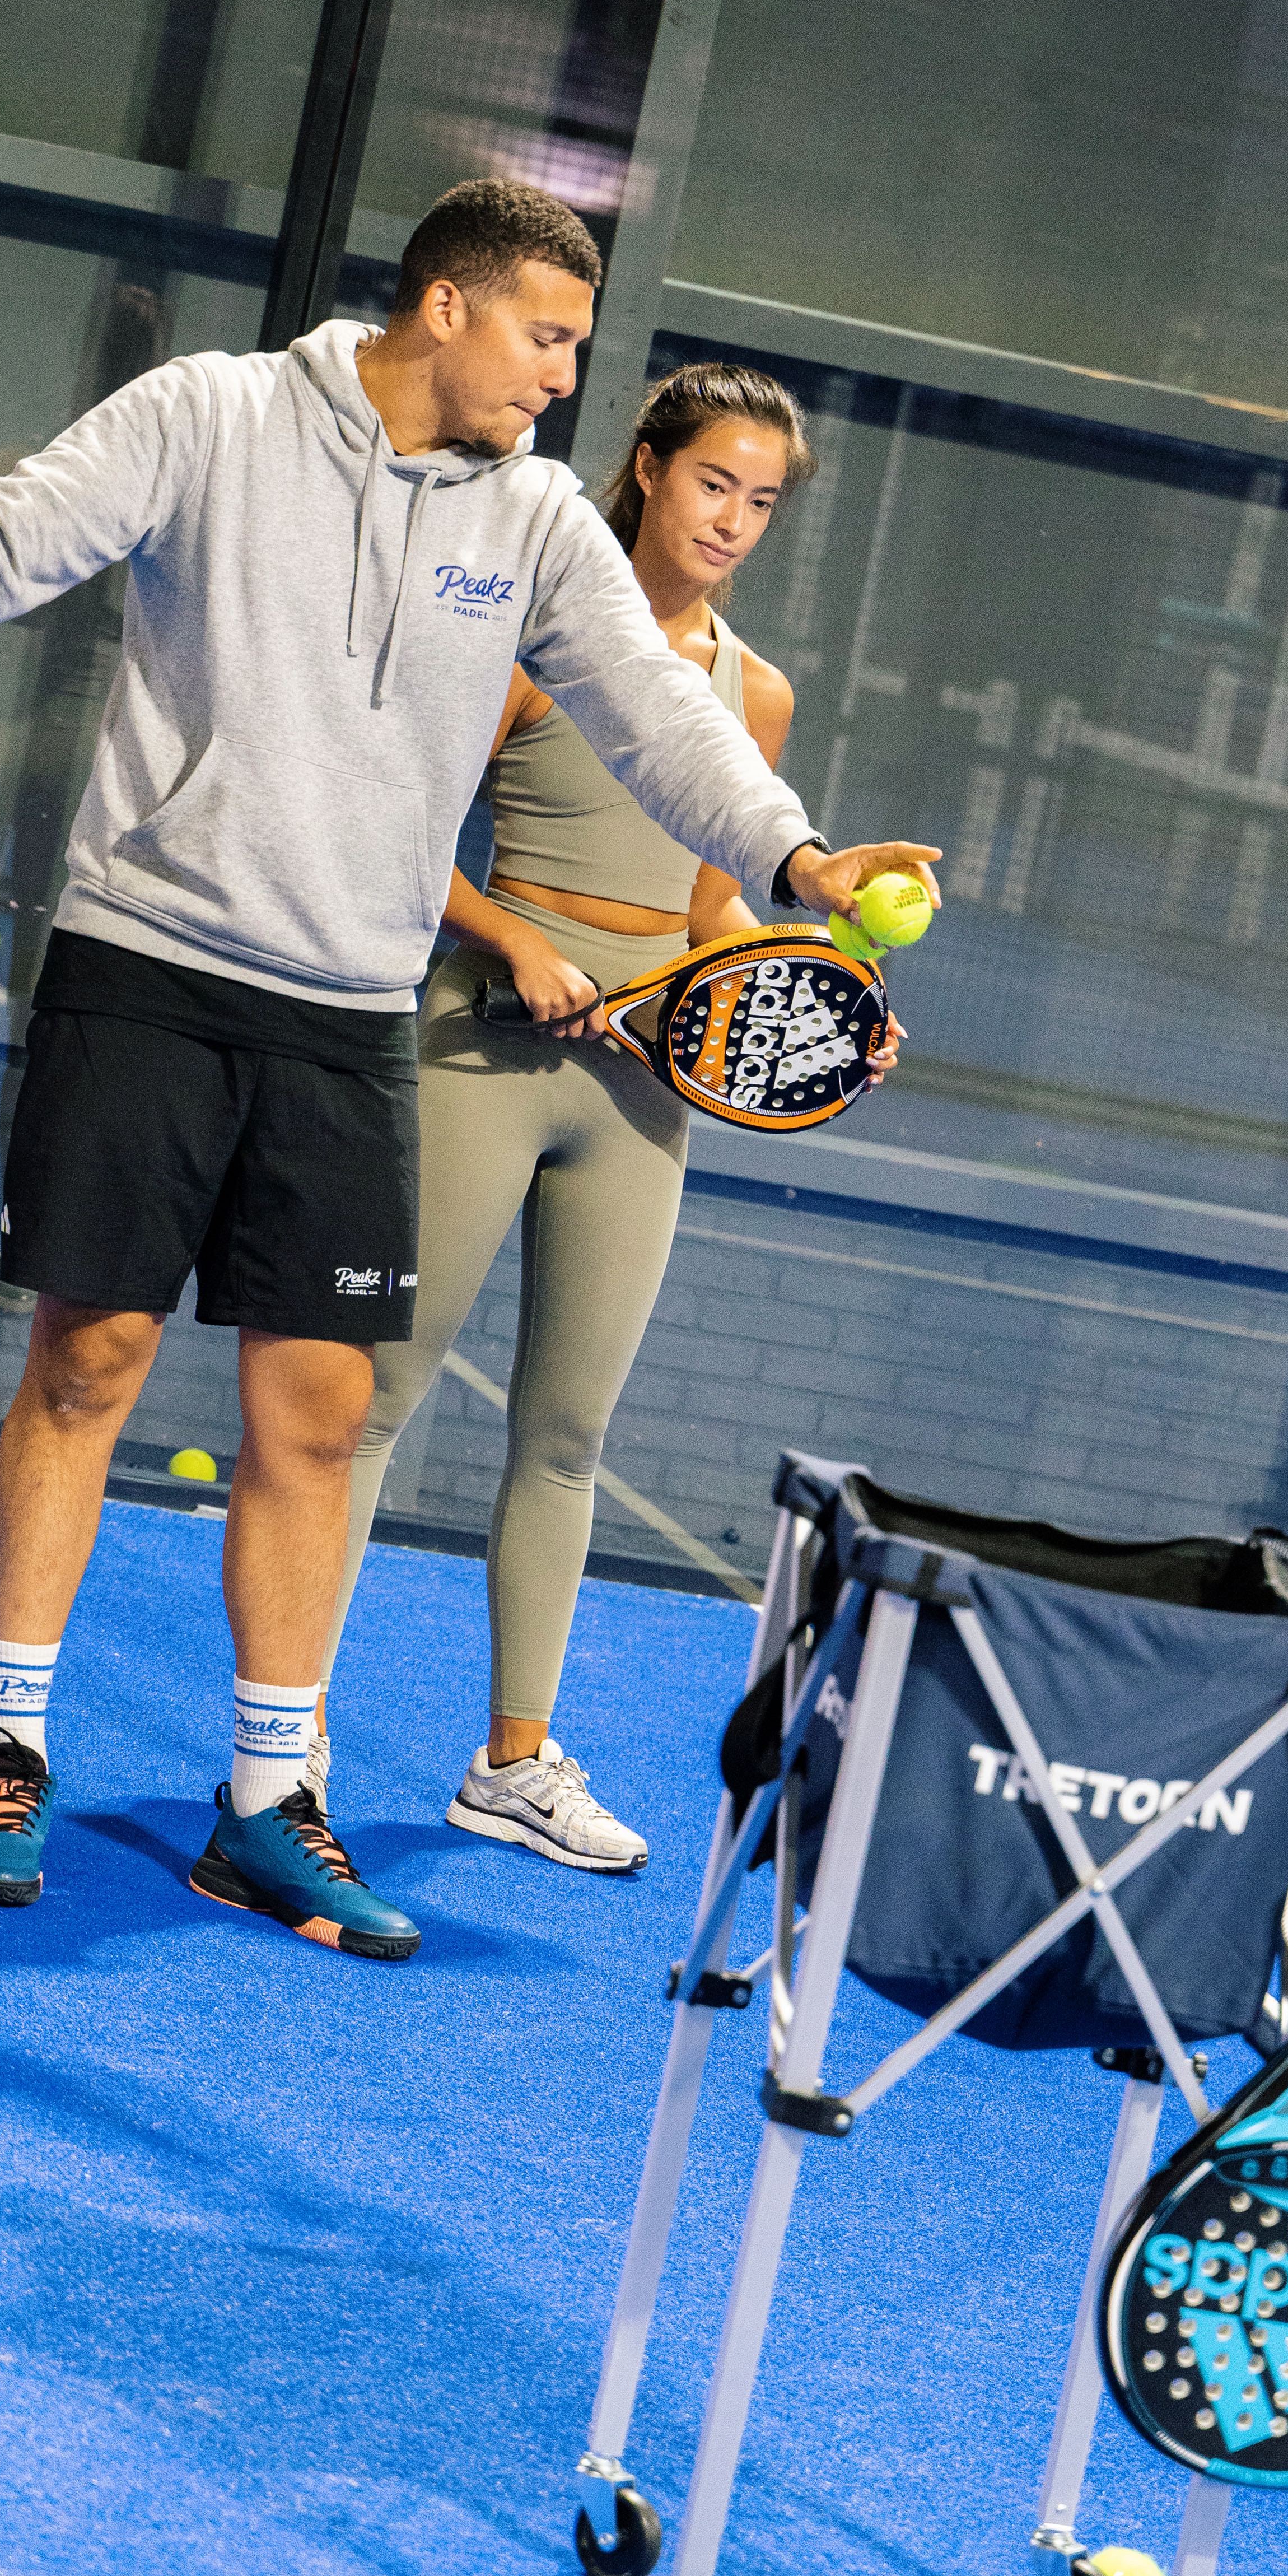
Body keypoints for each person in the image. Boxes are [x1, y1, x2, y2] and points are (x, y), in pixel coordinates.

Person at [0, 176, 940, 1968]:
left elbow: (659, 715)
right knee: (93, 1361)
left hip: (351, 1015)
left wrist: (796, 860)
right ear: (446, 308)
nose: (561, 383)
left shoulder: (537, 518)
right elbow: (7, 536)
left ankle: (265, 1805)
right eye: (545, 338)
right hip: (147, 965)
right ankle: (8, 1754)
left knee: (313, 1416)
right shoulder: (213, 414)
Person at [324, 362, 883, 1875]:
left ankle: (513, 1763)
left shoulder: (753, 693)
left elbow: (717, 912)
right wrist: (516, 947)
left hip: (641, 1086)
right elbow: (397, 836)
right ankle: (286, 1735)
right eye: (716, 485)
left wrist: (802, 1023)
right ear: (645, 467)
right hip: (478, 1043)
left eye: (764, 503)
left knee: (567, 1436)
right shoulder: (526, 633)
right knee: (376, 1399)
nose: (737, 522)